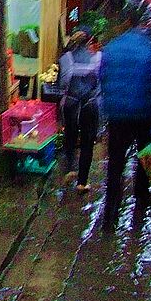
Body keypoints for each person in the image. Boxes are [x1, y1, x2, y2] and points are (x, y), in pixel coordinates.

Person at [98, 3, 151, 221]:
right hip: (144, 115)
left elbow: (103, 80)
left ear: (124, 23)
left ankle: (111, 208)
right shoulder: (149, 48)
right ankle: (141, 197)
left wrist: (107, 110)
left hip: (117, 116)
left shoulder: (111, 48)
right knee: (144, 157)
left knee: (116, 163)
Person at [57, 27, 101, 191]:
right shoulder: (97, 58)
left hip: (71, 104)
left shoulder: (66, 58)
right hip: (90, 104)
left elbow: (63, 83)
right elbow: (99, 82)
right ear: (88, 42)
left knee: (70, 136)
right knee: (87, 143)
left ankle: (70, 168)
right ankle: (82, 182)